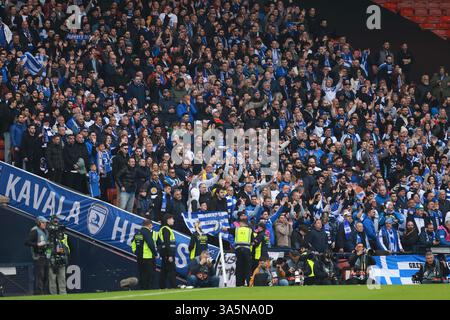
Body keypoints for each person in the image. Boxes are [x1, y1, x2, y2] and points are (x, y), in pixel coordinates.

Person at [227, 211, 255, 287]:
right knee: (248, 268)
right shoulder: (250, 230)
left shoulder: (236, 229)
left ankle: (239, 284)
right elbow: (253, 242)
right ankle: (249, 283)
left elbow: (227, 229)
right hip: (247, 250)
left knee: (239, 267)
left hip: (238, 250)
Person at [24, 216, 49, 295]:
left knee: (45, 276)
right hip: (38, 256)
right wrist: (37, 244)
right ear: (38, 222)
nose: (45, 224)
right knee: (40, 276)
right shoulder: (35, 231)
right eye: (43, 222)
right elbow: (27, 242)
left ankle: (44, 293)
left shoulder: (45, 231)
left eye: (45, 223)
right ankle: (39, 294)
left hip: (45, 256)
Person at [131, 219, 158, 290]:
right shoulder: (147, 232)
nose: (151, 227)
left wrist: (135, 251)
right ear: (149, 225)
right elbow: (150, 244)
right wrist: (155, 253)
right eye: (151, 226)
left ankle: (142, 289)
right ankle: (148, 289)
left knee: (142, 274)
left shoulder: (138, 233)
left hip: (140, 257)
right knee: (150, 275)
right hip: (148, 257)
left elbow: (133, 242)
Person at [47, 216, 70, 295]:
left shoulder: (63, 236)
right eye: (55, 221)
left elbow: (67, 249)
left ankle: (63, 295)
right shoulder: (48, 234)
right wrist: (49, 257)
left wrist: (63, 252)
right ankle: (53, 296)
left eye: (57, 221)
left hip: (61, 259)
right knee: (52, 279)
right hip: (52, 259)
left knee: (62, 278)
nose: (59, 234)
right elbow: (47, 250)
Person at [158, 214, 177, 289]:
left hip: (165, 253)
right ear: (167, 220)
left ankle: (162, 287)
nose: (173, 220)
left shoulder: (163, 229)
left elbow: (158, 242)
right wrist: (169, 255)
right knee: (172, 270)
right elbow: (167, 243)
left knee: (164, 271)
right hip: (168, 253)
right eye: (172, 219)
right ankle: (174, 286)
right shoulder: (166, 229)